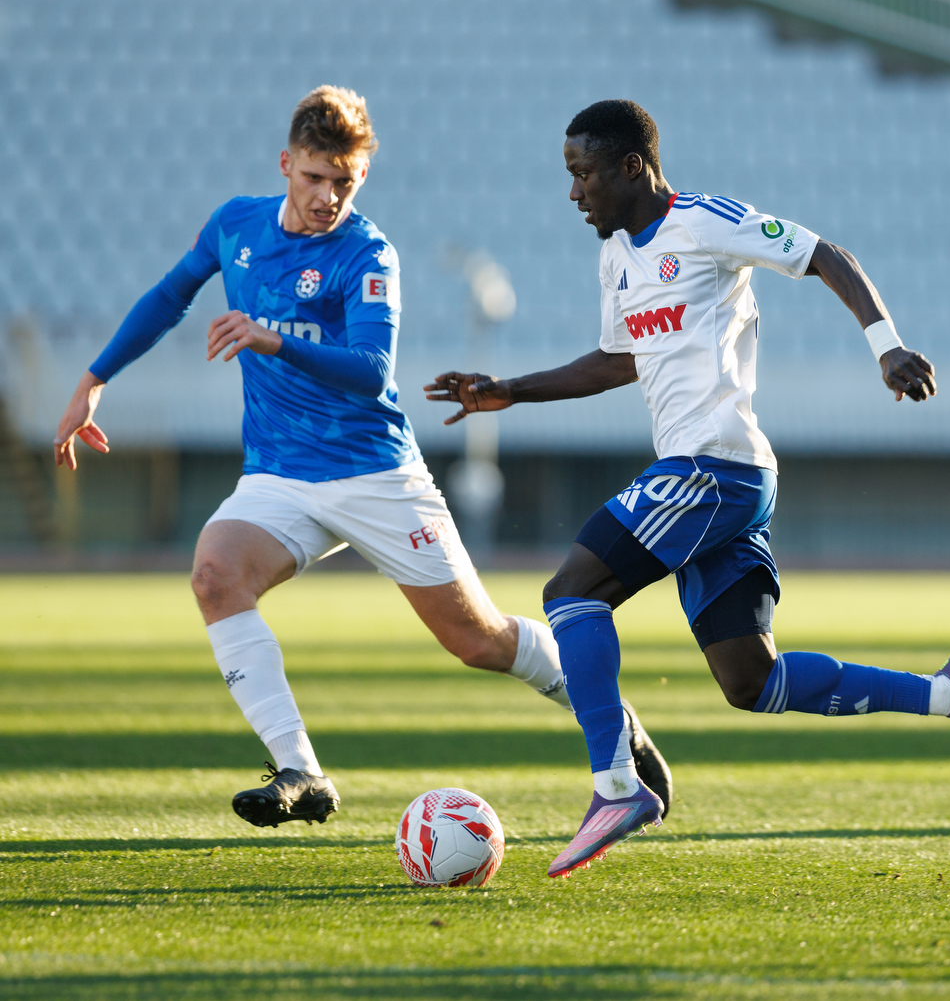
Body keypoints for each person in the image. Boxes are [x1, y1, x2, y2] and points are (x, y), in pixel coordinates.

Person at [425, 99, 950, 880]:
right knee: (753, 681)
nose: (573, 193)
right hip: (719, 481)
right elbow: (616, 362)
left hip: (715, 467)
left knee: (572, 591)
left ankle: (615, 785)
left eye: (582, 175)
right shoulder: (616, 259)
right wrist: (507, 389)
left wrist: (887, 346)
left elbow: (826, 254)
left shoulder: (706, 222)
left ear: (629, 168)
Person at [52, 86, 671, 830]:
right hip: (279, 474)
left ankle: (613, 716)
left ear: (361, 177)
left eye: (343, 182)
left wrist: (273, 338)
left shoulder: (368, 253)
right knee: (216, 576)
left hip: (375, 474)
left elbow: (372, 367)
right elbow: (168, 296)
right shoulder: (236, 226)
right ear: (287, 164)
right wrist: (93, 381)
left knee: (476, 640)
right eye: (315, 178)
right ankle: (300, 772)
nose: (327, 198)